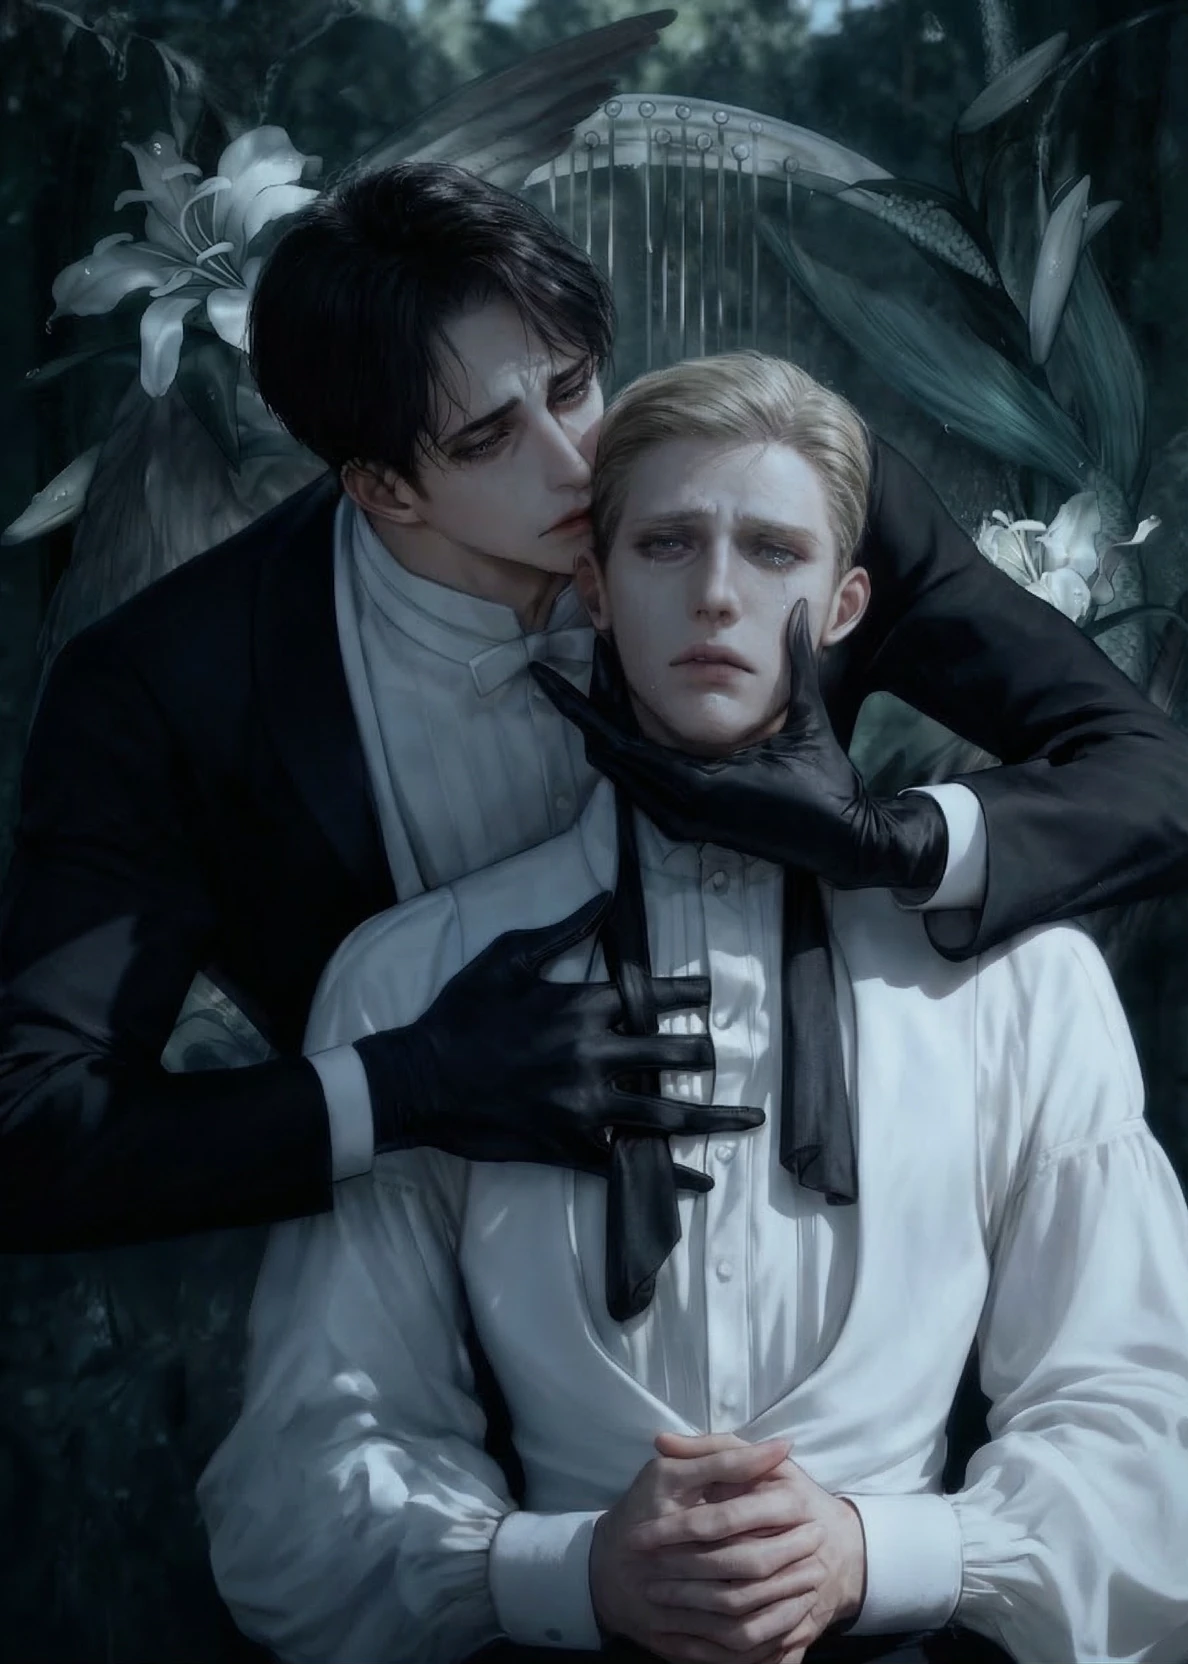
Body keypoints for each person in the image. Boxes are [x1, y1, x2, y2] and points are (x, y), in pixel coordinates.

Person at [198, 354, 1188, 1664]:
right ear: (595, 588)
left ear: (845, 604)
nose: (718, 592)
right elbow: (300, 1474)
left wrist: (878, 1552)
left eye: (772, 551)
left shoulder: (1022, 985)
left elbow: (1150, 1442)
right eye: (667, 543)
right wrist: (566, 1569)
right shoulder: (414, 981)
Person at [2, 160, 1188, 1252]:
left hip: (857, 1242)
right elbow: (32, 1133)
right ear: (379, 486)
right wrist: (403, 1087)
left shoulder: (792, 501)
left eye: (572, 386)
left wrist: (889, 840)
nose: (577, 464)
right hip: (442, 1299)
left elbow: (1157, 779)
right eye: (489, 440)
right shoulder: (166, 689)